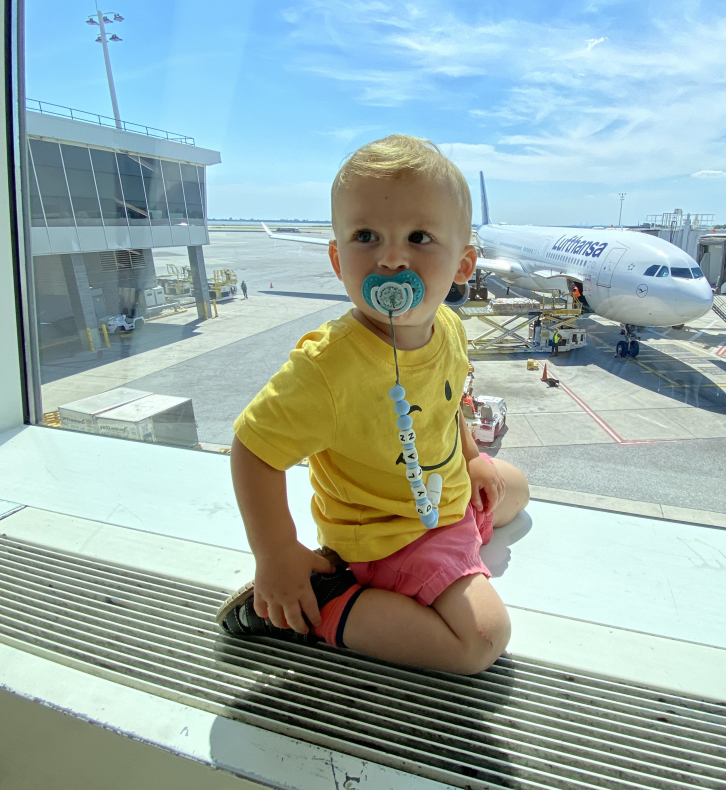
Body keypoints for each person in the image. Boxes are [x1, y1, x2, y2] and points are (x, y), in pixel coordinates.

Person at [220, 135, 530, 675]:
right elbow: (254, 449)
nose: (390, 258)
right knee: (481, 638)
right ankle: (323, 602)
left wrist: (472, 457)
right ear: (339, 259)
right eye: (366, 236)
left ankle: (463, 509)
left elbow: (449, 400)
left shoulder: (449, 329)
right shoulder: (330, 368)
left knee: (515, 487)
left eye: (419, 237)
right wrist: (277, 556)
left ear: (463, 264)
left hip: (441, 496)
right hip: (387, 531)